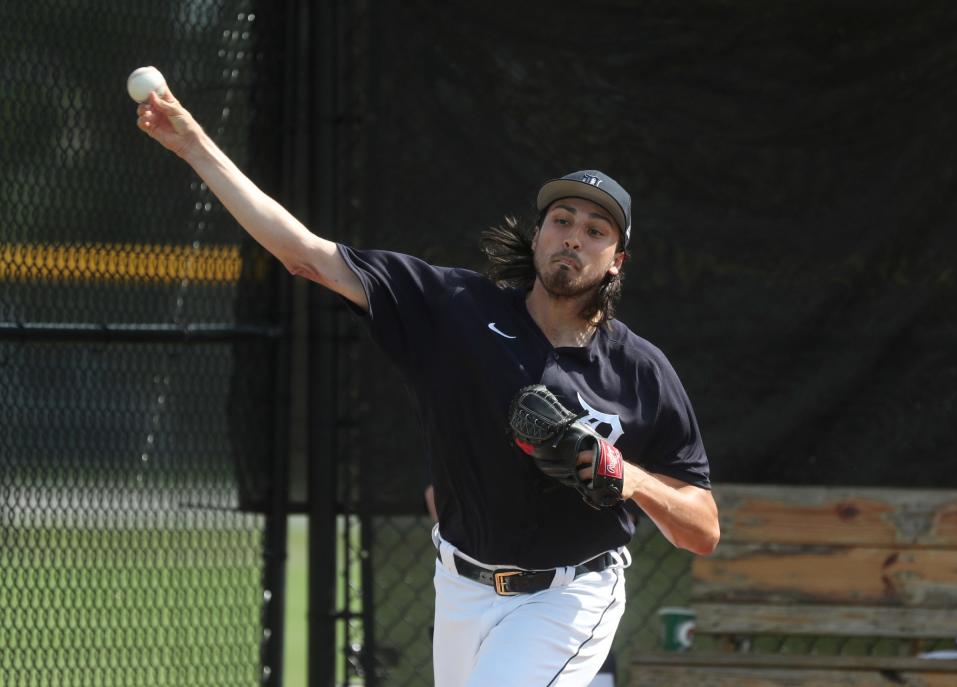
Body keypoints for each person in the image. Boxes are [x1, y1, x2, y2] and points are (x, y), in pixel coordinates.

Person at [136, 87, 720, 687]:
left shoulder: (640, 371)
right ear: (539, 234)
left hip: (569, 598)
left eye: (596, 230)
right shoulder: (455, 309)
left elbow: (701, 529)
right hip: (460, 589)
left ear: (618, 259)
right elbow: (303, 254)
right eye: (561, 220)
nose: (574, 236)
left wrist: (630, 478)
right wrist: (193, 145)